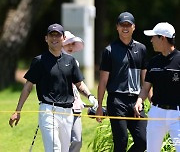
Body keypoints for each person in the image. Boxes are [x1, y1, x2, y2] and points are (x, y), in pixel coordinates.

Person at [9, 23, 98, 152]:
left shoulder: (70, 61)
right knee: (54, 149)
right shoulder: (39, 61)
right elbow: (28, 87)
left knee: (64, 150)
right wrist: (18, 111)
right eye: (52, 35)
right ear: (46, 38)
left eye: (58, 35)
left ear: (63, 38)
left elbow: (79, 83)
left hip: (67, 112)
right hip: (48, 110)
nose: (54, 38)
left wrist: (91, 97)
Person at [96, 12, 148, 152]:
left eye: (128, 25)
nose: (125, 28)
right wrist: (99, 105)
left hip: (136, 101)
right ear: (117, 27)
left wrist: (151, 101)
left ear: (134, 27)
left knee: (144, 141)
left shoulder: (141, 49)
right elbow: (103, 81)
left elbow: (145, 79)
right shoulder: (109, 50)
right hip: (116, 100)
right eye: (122, 25)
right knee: (121, 141)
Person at [134, 22, 180, 152]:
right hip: (156, 112)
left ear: (163, 38)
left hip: (177, 114)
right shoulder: (153, 62)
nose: (151, 40)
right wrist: (139, 100)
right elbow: (146, 88)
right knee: (152, 150)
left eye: (154, 37)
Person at [62, 31, 98, 152]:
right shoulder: (54, 61)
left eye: (72, 44)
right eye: (67, 44)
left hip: (75, 107)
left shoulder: (74, 62)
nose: (70, 47)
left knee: (77, 140)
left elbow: (79, 84)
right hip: (60, 107)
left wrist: (90, 96)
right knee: (63, 142)